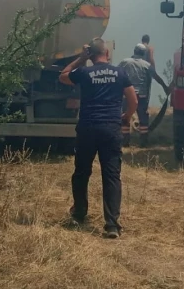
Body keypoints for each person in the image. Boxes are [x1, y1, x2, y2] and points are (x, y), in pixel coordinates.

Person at [59, 37, 138, 239]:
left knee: (82, 171)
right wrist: (127, 116)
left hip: (87, 127)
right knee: (111, 175)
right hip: (111, 129)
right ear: (107, 54)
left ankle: (79, 213)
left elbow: (63, 76)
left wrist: (79, 59)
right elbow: (133, 99)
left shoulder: (85, 72)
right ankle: (112, 225)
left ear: (91, 55)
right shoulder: (120, 73)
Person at [118, 44, 167, 145]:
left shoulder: (124, 62)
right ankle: (143, 141)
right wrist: (165, 87)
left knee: (125, 116)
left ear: (134, 51)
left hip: (127, 95)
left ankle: (125, 140)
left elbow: (116, 73)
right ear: (144, 53)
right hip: (142, 96)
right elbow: (156, 77)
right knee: (143, 118)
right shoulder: (147, 65)